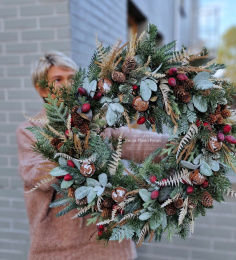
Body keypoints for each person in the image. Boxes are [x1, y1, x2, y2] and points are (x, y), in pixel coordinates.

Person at [16, 50, 169, 260]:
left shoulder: (97, 122)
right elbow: (35, 174)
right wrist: (73, 147)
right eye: (57, 80)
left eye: (71, 78)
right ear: (42, 88)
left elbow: (134, 141)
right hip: (57, 247)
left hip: (108, 243)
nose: (67, 85)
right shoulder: (29, 130)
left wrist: (176, 145)